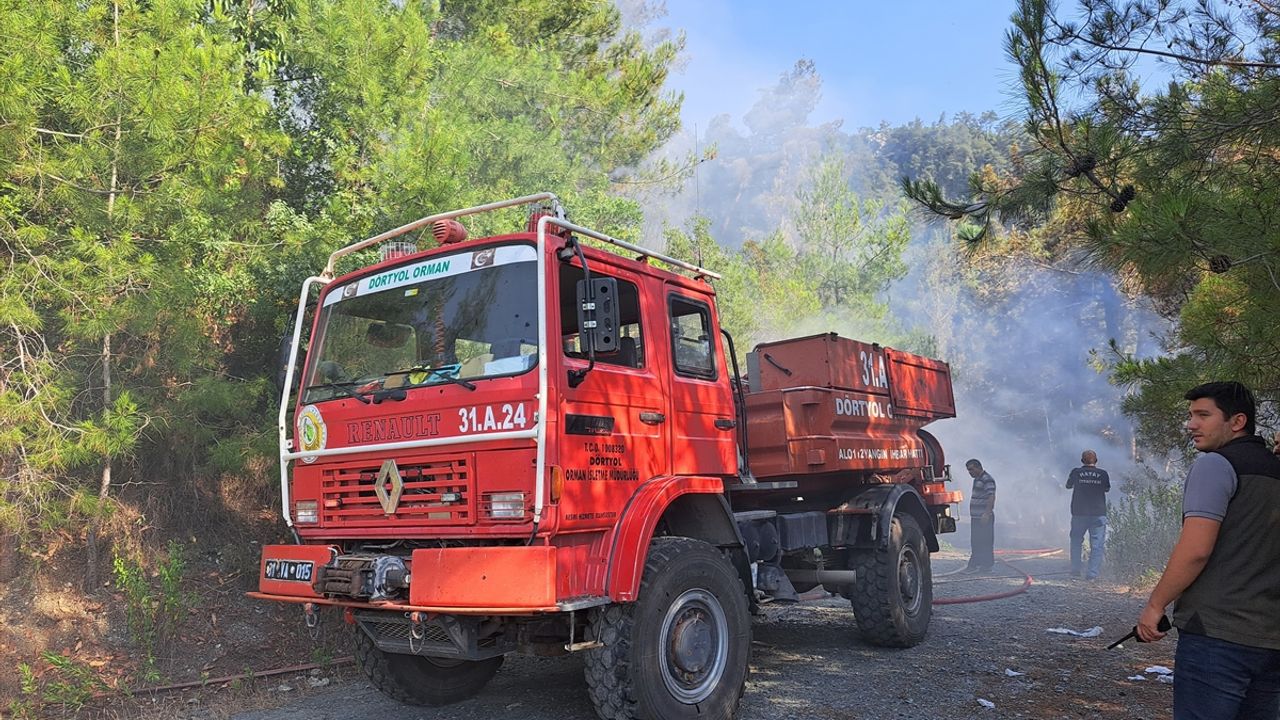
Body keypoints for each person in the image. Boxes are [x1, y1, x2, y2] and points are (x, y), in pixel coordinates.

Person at [1136, 381, 1280, 719]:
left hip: (1216, 635)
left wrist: (1156, 604)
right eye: (1190, 416)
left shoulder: (1215, 465)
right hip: (1272, 640)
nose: (1191, 424)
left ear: (1237, 421)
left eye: (1203, 415)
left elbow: (1196, 549)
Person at [1066, 450, 1110, 580]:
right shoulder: (1103, 474)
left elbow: (1068, 486)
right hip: (1098, 513)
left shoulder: (1076, 472)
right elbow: (1107, 488)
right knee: (1097, 545)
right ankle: (1092, 574)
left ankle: (1075, 570)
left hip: (1079, 513)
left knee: (1076, 541)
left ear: (1082, 461)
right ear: (1096, 461)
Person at [964, 459, 996, 573]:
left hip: (983, 517)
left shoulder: (987, 479)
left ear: (978, 467)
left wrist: (986, 514)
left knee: (985, 541)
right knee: (976, 541)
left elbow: (991, 496)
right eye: (968, 470)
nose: (970, 472)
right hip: (976, 517)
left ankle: (981, 565)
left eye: (971, 469)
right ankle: (980, 565)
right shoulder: (977, 479)